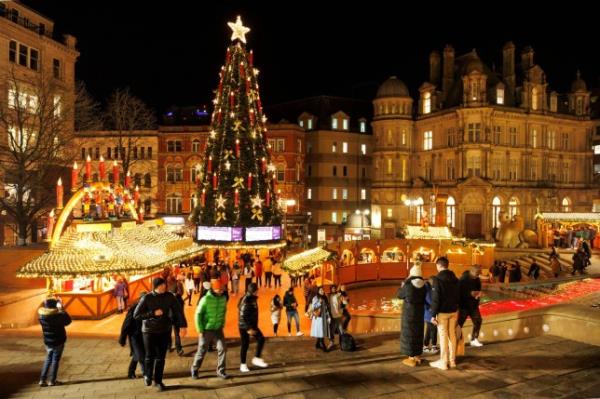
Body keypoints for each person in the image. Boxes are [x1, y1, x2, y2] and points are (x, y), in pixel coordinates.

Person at [134, 277, 187, 392]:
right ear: (156, 286)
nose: (164, 287)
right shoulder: (147, 298)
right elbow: (136, 315)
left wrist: (183, 325)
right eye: (162, 285)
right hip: (149, 331)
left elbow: (178, 311)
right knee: (149, 356)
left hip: (164, 330)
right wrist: (152, 313)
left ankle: (158, 381)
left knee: (161, 357)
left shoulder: (169, 296)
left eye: (164, 285)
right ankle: (148, 375)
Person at [191, 280, 229, 380]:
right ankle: (195, 369)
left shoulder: (223, 298)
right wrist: (200, 329)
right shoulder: (205, 299)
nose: (221, 291)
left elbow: (224, 311)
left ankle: (221, 371)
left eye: (222, 290)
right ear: (213, 288)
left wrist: (222, 323)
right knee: (202, 350)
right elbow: (198, 314)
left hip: (218, 329)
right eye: (219, 290)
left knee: (223, 348)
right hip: (206, 330)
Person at [429, 256, 459, 371]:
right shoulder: (455, 278)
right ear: (447, 265)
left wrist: (433, 315)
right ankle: (452, 361)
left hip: (442, 312)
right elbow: (458, 295)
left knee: (443, 337)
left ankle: (443, 361)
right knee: (452, 335)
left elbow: (436, 298)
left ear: (438, 266)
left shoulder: (438, 279)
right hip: (453, 311)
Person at [38, 298, 72, 387]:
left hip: (48, 341)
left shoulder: (41, 316)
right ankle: (52, 381)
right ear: (54, 306)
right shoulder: (57, 316)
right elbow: (68, 321)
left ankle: (42, 380)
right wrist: (62, 309)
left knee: (48, 359)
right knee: (55, 360)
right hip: (58, 340)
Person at [397, 264, 426, 367]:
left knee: (409, 332)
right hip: (420, 312)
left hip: (409, 313)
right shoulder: (424, 285)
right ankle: (417, 355)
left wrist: (402, 286)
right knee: (418, 332)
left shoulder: (408, 285)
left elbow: (400, 295)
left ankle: (411, 357)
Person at [238, 283, 268, 372]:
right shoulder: (247, 300)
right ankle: (244, 364)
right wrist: (248, 328)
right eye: (257, 290)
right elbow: (242, 315)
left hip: (250, 324)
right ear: (255, 291)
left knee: (260, 339)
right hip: (245, 326)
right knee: (246, 344)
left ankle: (256, 359)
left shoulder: (251, 298)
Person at [120, 291, 147, 379]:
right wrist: (122, 338)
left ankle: (131, 372)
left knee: (138, 354)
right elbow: (126, 324)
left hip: (144, 334)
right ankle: (146, 374)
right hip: (134, 335)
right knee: (141, 354)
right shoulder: (133, 309)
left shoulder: (148, 308)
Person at [458, 266, 484, 347]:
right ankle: (455, 340)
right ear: (471, 271)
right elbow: (458, 293)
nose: (478, 275)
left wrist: (478, 295)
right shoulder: (463, 279)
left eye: (479, 273)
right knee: (459, 324)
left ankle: (474, 339)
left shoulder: (477, 279)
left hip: (473, 306)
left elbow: (479, 290)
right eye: (477, 273)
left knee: (478, 321)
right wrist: (470, 294)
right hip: (464, 306)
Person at [310, 286, 332, 352]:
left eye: (322, 290)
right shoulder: (315, 298)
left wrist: (328, 316)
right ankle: (323, 346)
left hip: (324, 317)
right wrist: (319, 302)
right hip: (318, 318)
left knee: (321, 331)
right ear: (318, 291)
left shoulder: (325, 297)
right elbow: (314, 307)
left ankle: (317, 344)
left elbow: (326, 308)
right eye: (320, 290)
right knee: (321, 332)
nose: (322, 291)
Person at [168, 274, 186, 356]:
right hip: (175, 315)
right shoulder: (179, 299)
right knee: (176, 332)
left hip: (168, 315)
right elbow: (181, 293)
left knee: (168, 331)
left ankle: (169, 347)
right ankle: (179, 349)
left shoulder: (166, 289)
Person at [423, 277, 438, 355]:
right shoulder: (427, 288)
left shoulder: (429, 287)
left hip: (429, 312)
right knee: (433, 329)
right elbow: (428, 300)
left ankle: (425, 345)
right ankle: (433, 345)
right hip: (429, 312)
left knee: (429, 329)